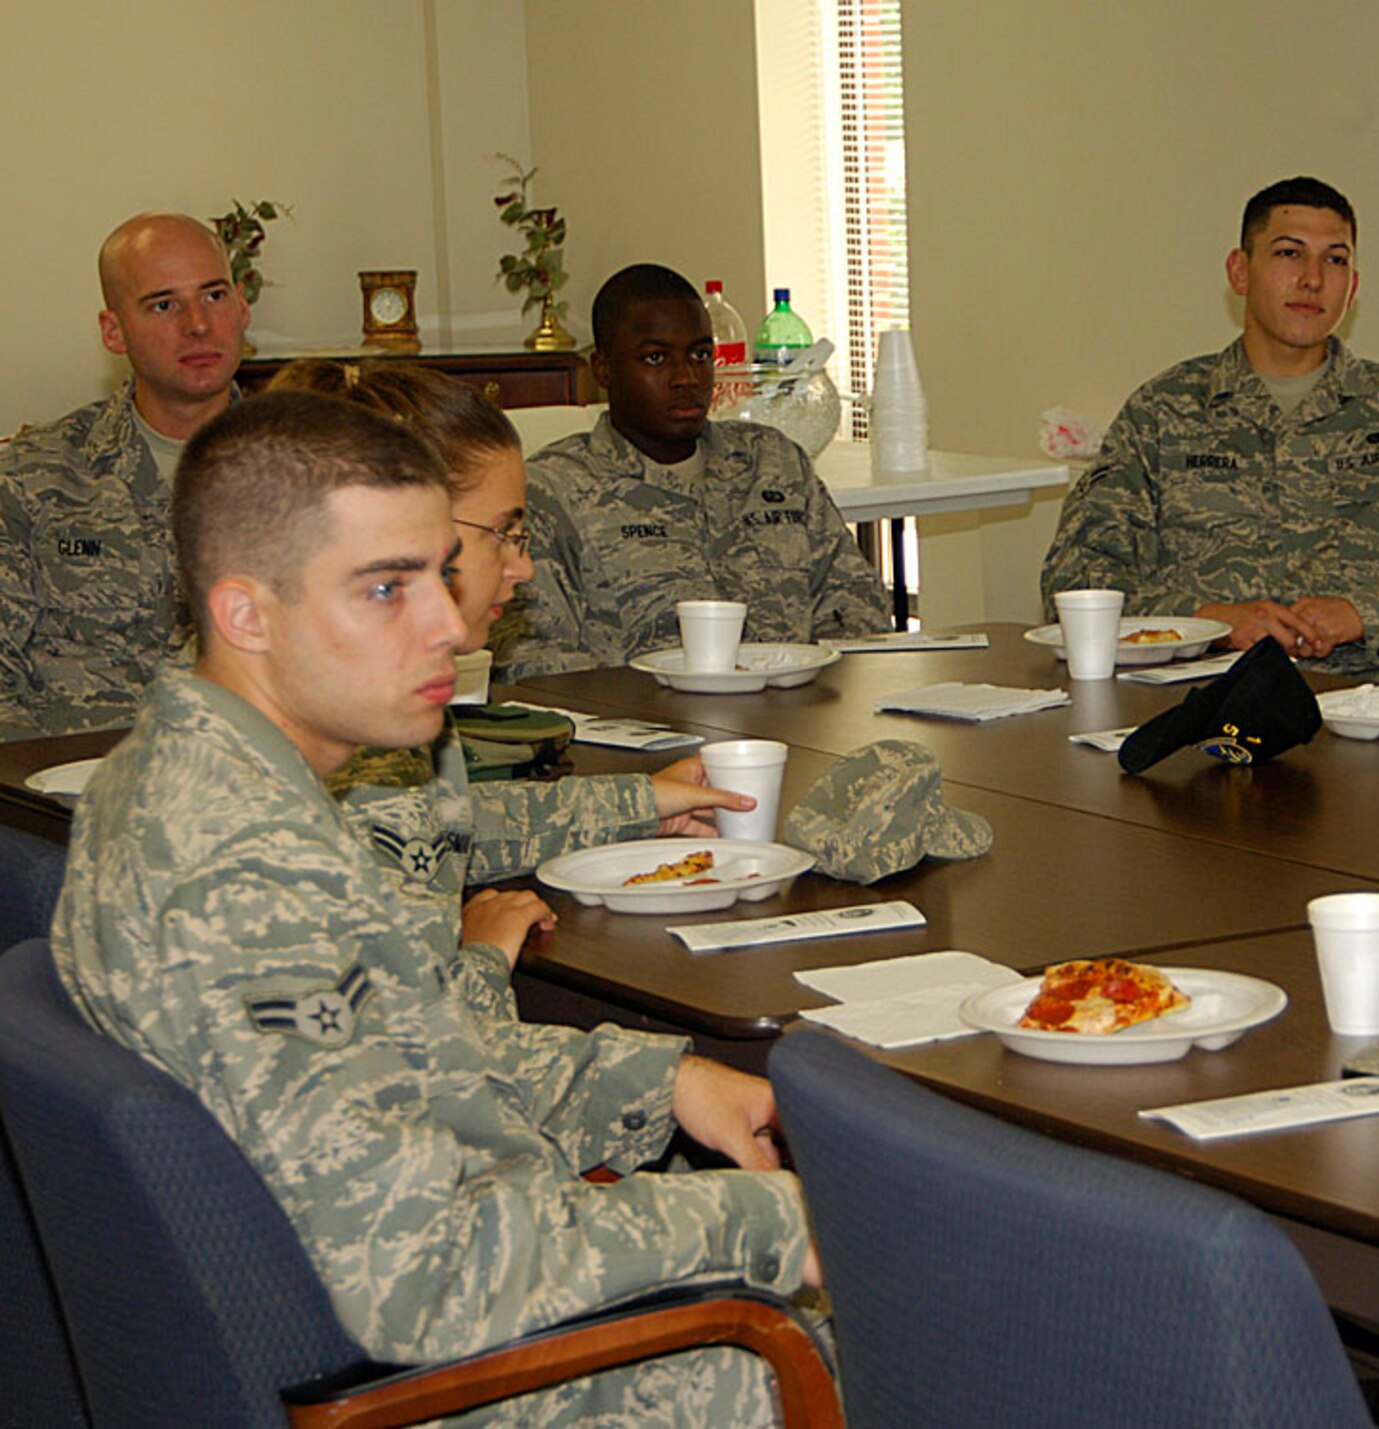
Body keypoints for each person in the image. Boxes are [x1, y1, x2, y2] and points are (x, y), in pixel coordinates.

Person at [53, 392, 817, 1424]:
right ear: (244, 613)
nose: (447, 625)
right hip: (426, 1380)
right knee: (917, 1324)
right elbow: (427, 1280)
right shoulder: (246, 878)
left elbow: (401, 1059)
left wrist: (651, 1080)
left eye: (437, 576)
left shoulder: (182, 780)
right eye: (383, 589)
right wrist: (768, 1220)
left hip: (381, 1298)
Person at [266, 361, 753, 979]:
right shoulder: (344, 729)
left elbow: (440, 827)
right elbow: (422, 1052)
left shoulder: (343, 692)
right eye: (503, 533)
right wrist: (481, 961)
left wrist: (642, 802)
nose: (522, 568)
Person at [1039, 177, 1379, 681]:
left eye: (1335, 260)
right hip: (1204, 691)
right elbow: (1078, 586)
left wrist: (1365, 614)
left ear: (1353, 286)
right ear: (1240, 271)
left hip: (1375, 697)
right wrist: (1208, 621)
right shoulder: (1163, 412)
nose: (1313, 279)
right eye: (1289, 254)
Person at [500, 264, 890, 677]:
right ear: (603, 370)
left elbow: (858, 607)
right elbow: (533, 664)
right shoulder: (553, 491)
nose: (686, 378)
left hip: (798, 714)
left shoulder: (772, 463)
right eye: (656, 358)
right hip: (649, 726)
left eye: (700, 355)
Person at [0, 212, 249, 739]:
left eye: (214, 296)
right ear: (114, 331)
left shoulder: (311, 474)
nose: (198, 324)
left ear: (242, 305)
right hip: (62, 796)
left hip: (250, 795)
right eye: (164, 305)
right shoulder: (31, 479)